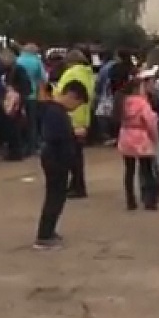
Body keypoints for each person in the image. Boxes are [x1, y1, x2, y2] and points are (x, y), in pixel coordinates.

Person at [33, 80, 89, 250]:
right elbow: (55, 136)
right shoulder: (55, 112)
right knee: (54, 197)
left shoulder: (56, 111)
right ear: (72, 96)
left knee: (57, 196)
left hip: (57, 157)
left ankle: (49, 231)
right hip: (55, 158)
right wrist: (73, 134)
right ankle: (44, 236)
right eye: (78, 104)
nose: (76, 108)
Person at [117, 77, 159, 211]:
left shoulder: (122, 102)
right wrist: (154, 137)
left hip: (126, 135)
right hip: (141, 136)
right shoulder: (142, 103)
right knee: (147, 170)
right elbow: (150, 121)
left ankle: (130, 200)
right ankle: (150, 201)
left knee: (129, 170)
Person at [57, 50, 95, 199]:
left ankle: (77, 186)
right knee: (77, 154)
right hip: (83, 116)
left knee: (70, 155)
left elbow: (61, 92)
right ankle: (77, 184)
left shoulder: (71, 74)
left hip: (71, 116)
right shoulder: (88, 74)